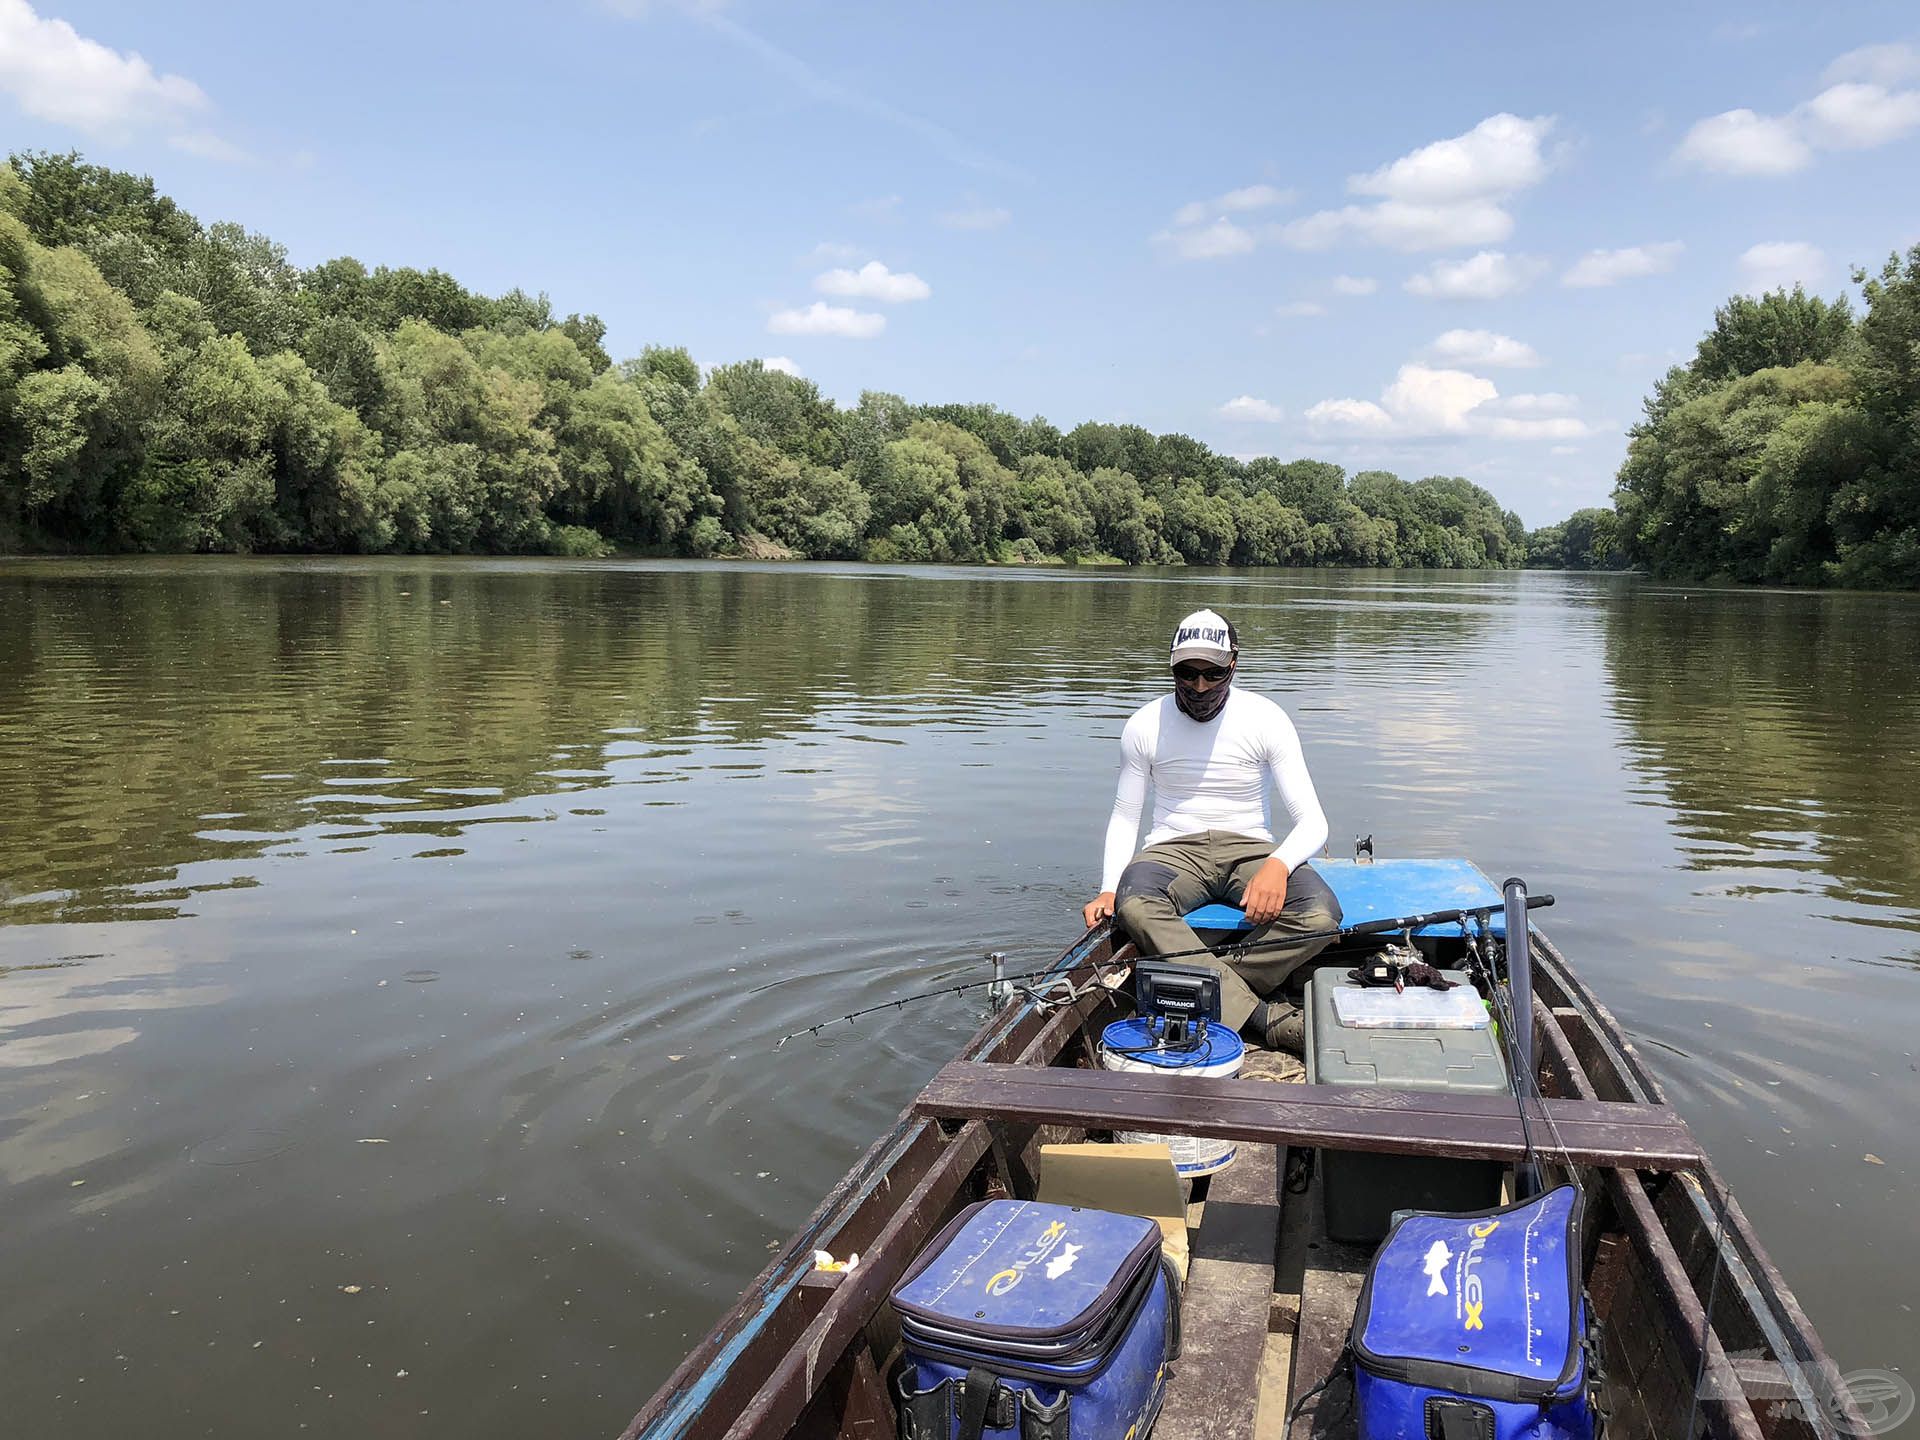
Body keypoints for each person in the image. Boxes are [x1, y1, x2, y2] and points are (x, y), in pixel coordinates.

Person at [1082, 609, 1341, 1053]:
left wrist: (1278, 864)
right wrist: (1109, 888)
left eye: (1212, 673)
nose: (1199, 686)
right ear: (1171, 666)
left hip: (1250, 847)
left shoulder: (1266, 718)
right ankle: (1261, 1017)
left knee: (1320, 917)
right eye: (1187, 673)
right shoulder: (1144, 724)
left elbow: (1313, 821)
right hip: (1170, 852)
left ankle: (1196, 986)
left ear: (1233, 664)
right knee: (1136, 908)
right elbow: (1126, 814)